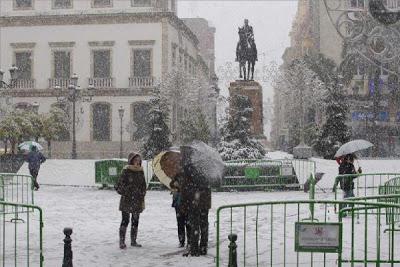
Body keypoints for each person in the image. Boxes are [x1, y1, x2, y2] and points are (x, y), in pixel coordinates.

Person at [180, 147, 211, 257]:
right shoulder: (207, 168)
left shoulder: (188, 168)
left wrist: (184, 202)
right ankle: (203, 247)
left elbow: (185, 188)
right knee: (203, 225)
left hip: (194, 201)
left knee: (195, 225)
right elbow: (208, 186)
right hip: (204, 202)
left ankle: (194, 249)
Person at [115, 152, 147, 249]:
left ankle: (133, 241)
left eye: (139, 160)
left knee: (135, 220)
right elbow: (118, 185)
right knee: (125, 220)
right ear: (131, 161)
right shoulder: (126, 171)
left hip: (137, 200)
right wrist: (127, 190)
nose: (137, 162)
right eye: (135, 160)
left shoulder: (141, 171)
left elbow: (143, 185)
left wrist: (142, 193)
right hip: (127, 199)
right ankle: (122, 241)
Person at [170, 177, 190, 248]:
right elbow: (171, 184)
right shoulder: (177, 176)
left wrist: (181, 187)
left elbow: (190, 188)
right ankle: (181, 241)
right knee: (180, 224)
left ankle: (189, 241)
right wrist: (174, 186)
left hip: (187, 204)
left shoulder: (189, 176)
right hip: (178, 205)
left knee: (188, 223)